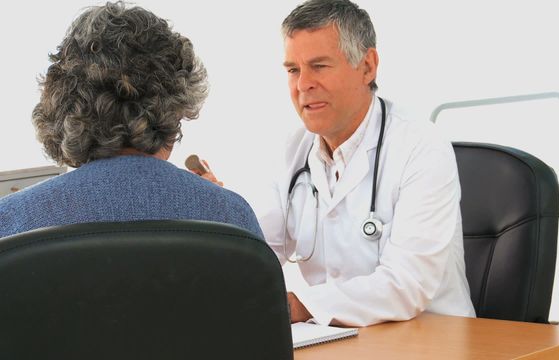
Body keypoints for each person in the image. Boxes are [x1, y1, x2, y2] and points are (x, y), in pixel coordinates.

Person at [257, 0, 476, 326]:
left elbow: (407, 285)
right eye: (293, 70)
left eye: (319, 66)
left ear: (368, 66)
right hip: (342, 342)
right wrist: (216, 215)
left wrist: (299, 306)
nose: (303, 84)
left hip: (431, 340)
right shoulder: (291, 151)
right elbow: (257, 255)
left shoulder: (420, 146)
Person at [0, 2, 261, 239]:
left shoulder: (10, 223)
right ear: (178, 102)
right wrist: (207, 203)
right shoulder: (233, 220)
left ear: (62, 104)